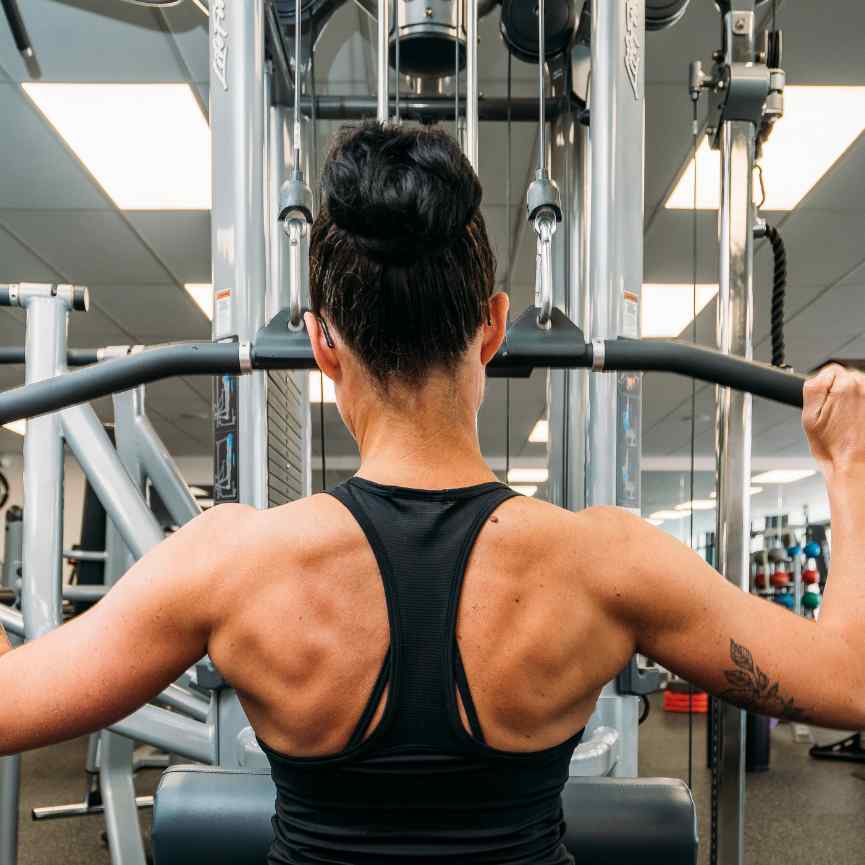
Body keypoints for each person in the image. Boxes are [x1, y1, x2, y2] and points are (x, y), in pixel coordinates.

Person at [0, 123, 863, 865]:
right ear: (490, 325)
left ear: (321, 344)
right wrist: (850, 468)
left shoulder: (231, 562)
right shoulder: (603, 561)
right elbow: (849, 681)